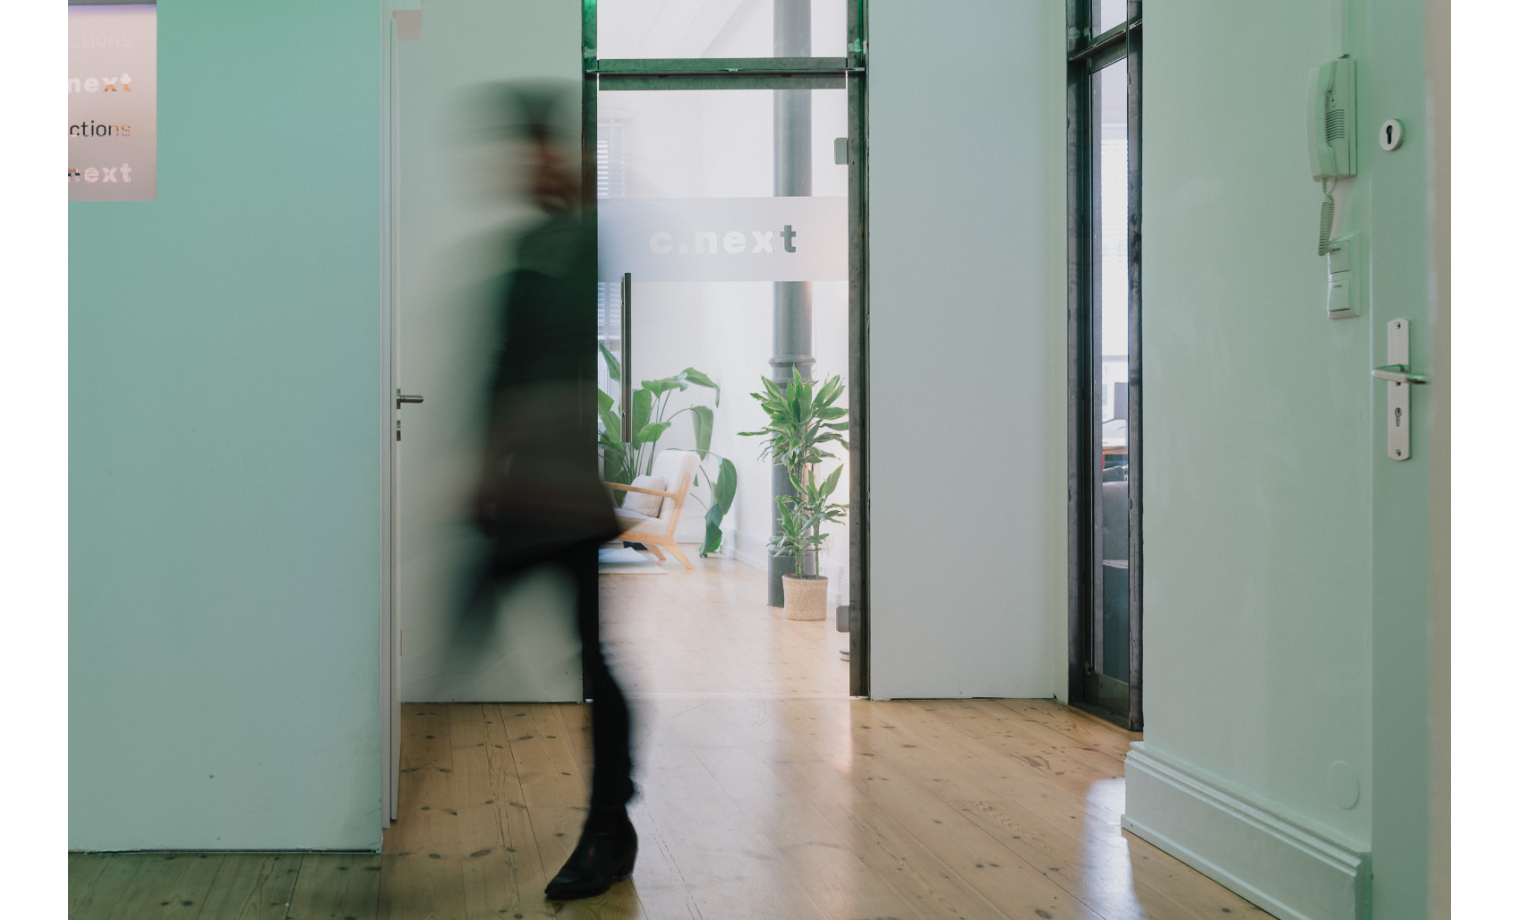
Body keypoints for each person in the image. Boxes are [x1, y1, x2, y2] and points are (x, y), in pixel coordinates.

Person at [459, 83, 637, 902]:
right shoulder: (530, 245)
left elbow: (541, 372)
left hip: (559, 498)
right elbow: (498, 375)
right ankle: (610, 822)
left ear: (555, 153)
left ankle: (608, 825)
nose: (520, 166)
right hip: (516, 497)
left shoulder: (578, 240)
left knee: (593, 664)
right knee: (468, 631)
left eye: (533, 148)